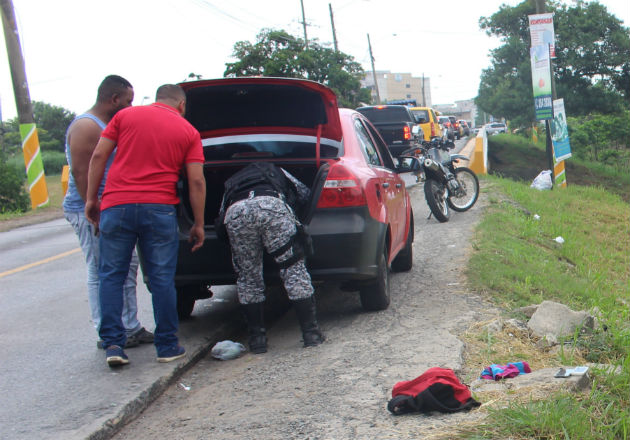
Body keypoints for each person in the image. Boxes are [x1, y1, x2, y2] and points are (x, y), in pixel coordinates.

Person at [85, 84, 206, 367]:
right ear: (181, 105)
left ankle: (114, 344)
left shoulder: (125, 117)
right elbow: (196, 181)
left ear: (157, 99)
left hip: (116, 207)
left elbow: (99, 156)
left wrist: (92, 199)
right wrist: (198, 223)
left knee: (111, 276)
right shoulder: (188, 131)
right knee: (162, 278)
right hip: (159, 209)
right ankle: (167, 347)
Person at [62, 75, 153, 349]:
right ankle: (107, 330)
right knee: (102, 268)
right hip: (90, 209)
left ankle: (129, 326)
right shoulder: (87, 126)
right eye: (127, 101)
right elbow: (80, 172)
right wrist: (94, 209)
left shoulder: (109, 125)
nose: (129, 106)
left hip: (112, 206)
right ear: (114, 100)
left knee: (126, 267)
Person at [218, 162, 325, 354]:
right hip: (272, 208)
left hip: (237, 212)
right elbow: (304, 194)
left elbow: (220, 217)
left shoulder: (232, 181)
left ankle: (257, 341)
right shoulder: (277, 170)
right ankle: (311, 334)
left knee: (248, 277)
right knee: (293, 270)